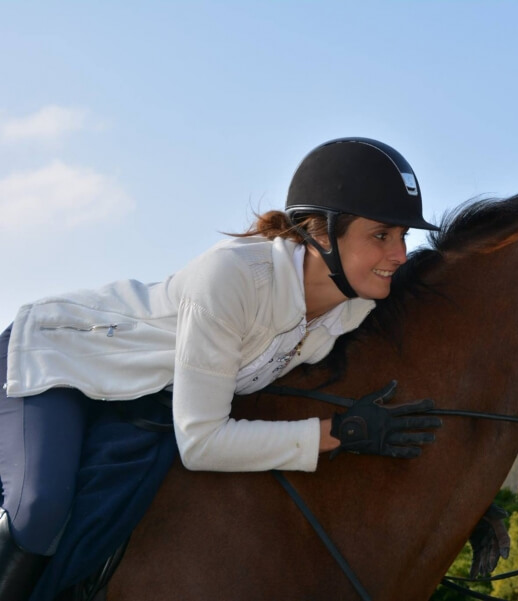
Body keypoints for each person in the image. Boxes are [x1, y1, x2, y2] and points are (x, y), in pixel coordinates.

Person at [0, 137, 444, 600]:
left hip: (139, 394)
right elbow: (201, 442)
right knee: (39, 508)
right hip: (52, 356)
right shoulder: (232, 277)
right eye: (382, 236)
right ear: (320, 233)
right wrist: (340, 433)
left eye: (402, 237)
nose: (400, 255)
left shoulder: (354, 309)